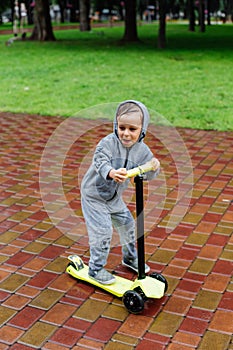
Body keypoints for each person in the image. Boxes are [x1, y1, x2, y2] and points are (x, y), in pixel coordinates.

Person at [81, 100, 160, 285]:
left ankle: (130, 258)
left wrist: (153, 167)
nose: (125, 133)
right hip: (94, 195)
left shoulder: (142, 150)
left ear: (142, 130)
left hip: (113, 197)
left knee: (127, 225)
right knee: (103, 231)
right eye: (121, 127)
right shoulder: (108, 143)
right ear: (116, 125)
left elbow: (147, 172)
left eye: (132, 129)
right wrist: (110, 172)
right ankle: (95, 269)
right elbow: (100, 160)